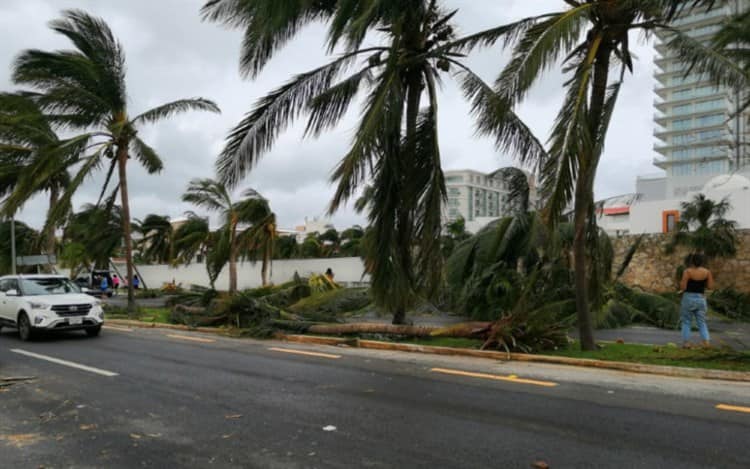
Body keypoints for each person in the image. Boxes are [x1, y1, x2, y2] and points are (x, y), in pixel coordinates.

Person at [679, 253, 714, 348]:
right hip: (701, 298)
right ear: (702, 262)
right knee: (701, 322)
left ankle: (686, 343)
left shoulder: (688, 272)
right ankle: (706, 342)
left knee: (686, 321)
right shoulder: (707, 272)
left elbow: (683, 287)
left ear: (692, 261)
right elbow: (710, 286)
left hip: (688, 298)